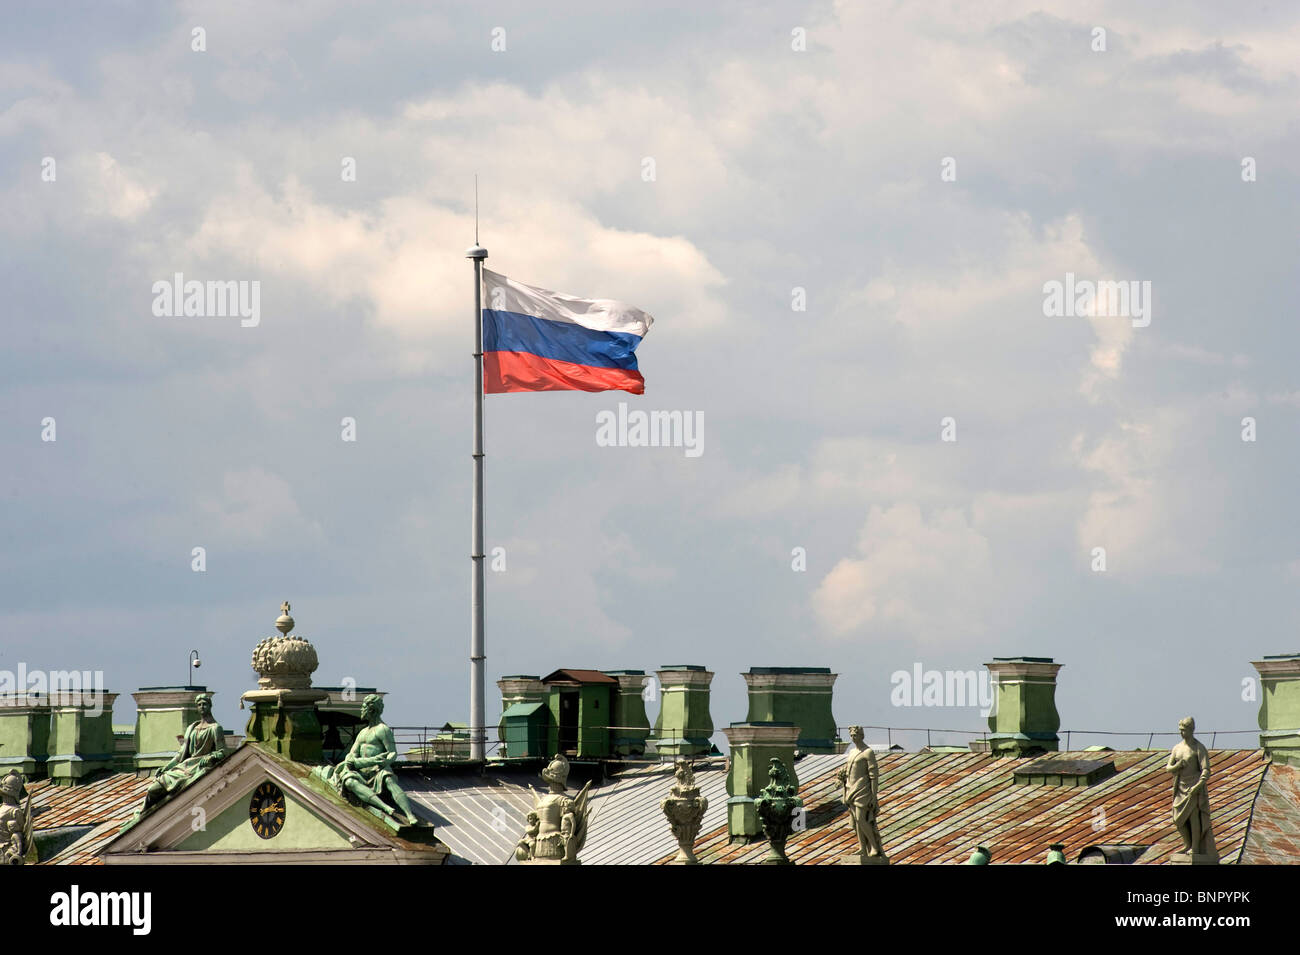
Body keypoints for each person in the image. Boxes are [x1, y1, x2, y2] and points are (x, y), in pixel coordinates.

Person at [317, 694, 419, 826]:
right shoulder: (363, 732)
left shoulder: (383, 729)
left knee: (388, 779)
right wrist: (350, 759)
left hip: (378, 769)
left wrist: (384, 763)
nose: (361, 710)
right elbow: (352, 753)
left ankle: (409, 815)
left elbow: (392, 752)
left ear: (372, 709)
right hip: (361, 770)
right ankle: (384, 807)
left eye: (363, 707)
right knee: (349, 782)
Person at [141, 693, 227, 811]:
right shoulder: (192, 727)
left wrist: (210, 757)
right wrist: (166, 767)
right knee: (153, 789)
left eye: (205, 704)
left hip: (198, 766)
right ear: (196, 708)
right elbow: (180, 754)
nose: (202, 706)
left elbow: (222, 751)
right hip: (184, 767)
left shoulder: (215, 728)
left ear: (210, 706)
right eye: (199, 704)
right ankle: (143, 815)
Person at [1165, 716, 1216, 857]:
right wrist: (1177, 765)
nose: (1182, 733)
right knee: (1177, 818)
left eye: (1184, 730)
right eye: (1180, 730)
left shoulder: (1198, 748)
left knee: (1193, 817)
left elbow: (1206, 769)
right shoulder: (1177, 748)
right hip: (1180, 787)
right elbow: (1168, 768)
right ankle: (1186, 843)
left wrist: (1199, 785)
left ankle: (1195, 847)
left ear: (1191, 730)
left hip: (1194, 787)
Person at [837, 725, 885, 859]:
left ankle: (874, 847)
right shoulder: (852, 752)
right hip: (850, 789)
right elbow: (848, 770)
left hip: (863, 790)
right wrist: (841, 778)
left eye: (856, 735)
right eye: (852, 736)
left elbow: (873, 776)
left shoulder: (868, 752)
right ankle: (862, 848)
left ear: (862, 736)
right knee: (856, 821)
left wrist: (874, 796)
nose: (854, 738)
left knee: (860, 818)